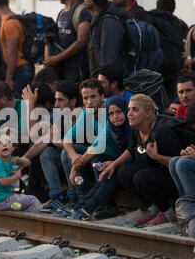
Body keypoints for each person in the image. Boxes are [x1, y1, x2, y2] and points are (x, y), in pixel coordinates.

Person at [101, 94, 181, 226]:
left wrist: (157, 157)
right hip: (154, 174)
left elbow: (178, 163)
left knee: (141, 177)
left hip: (173, 180)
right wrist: (114, 164)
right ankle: (152, 207)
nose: (130, 114)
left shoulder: (161, 132)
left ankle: (168, 212)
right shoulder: (136, 130)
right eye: (129, 110)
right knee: (123, 173)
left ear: (148, 113)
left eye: (135, 110)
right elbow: (132, 150)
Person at [65, 95, 130, 220]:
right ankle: (80, 206)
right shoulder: (112, 127)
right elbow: (67, 140)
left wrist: (115, 163)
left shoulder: (131, 127)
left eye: (119, 112)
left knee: (108, 173)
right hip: (115, 162)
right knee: (103, 174)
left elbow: (131, 153)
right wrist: (75, 162)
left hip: (132, 166)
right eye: (111, 114)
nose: (115, 117)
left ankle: (86, 209)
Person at [22, 80, 80, 210]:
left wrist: (57, 142)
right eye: (56, 100)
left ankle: (73, 197)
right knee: (46, 152)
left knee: (66, 153)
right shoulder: (60, 116)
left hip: (84, 162)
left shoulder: (81, 115)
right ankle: (58, 196)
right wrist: (23, 159)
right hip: (69, 163)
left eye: (60, 100)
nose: (56, 104)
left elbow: (75, 147)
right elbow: (41, 139)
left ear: (73, 101)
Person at [61, 79, 105, 208]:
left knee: (96, 158)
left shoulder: (110, 110)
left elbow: (99, 144)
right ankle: (82, 198)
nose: (89, 102)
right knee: (66, 153)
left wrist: (75, 167)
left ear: (102, 97)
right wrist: (74, 156)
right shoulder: (87, 112)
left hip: (112, 156)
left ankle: (104, 203)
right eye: (85, 98)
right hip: (97, 152)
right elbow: (67, 139)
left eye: (93, 97)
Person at [44, 0, 92, 83]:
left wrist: (57, 58)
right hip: (62, 69)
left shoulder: (83, 12)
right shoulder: (62, 13)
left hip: (77, 68)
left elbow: (81, 42)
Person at [0, 0, 34, 98]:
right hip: (19, 68)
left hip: (20, 68)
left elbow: (12, 52)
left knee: (20, 103)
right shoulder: (9, 20)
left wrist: (8, 78)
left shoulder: (10, 23)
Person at [0, 133, 42, 213]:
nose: (4, 144)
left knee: (23, 200)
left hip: (5, 198)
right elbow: (4, 182)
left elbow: (27, 163)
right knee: (34, 201)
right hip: (1, 200)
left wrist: (20, 160)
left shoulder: (12, 160)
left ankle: (20, 216)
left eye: (7, 141)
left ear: (13, 147)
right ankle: (25, 222)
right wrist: (16, 177)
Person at [85, 0, 128, 78]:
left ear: (91, 0)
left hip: (107, 82)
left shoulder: (109, 21)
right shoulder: (97, 17)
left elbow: (108, 58)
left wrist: (103, 81)